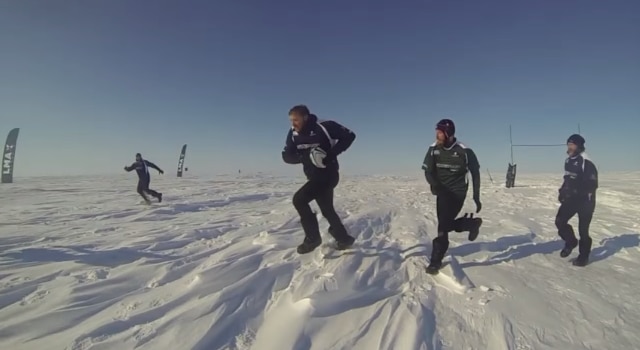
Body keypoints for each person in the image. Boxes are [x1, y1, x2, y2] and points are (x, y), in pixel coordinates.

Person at [281, 105, 357, 254]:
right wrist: (305, 157)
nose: (293, 123)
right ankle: (344, 239)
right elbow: (286, 155)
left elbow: (350, 136)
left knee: (299, 200)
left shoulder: (324, 126)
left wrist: (329, 155)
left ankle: (313, 238)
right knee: (327, 209)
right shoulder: (293, 133)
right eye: (291, 120)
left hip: (329, 175)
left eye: (296, 120)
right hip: (313, 176)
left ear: (305, 117)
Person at [421, 119, 483, 274]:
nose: (437, 134)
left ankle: (435, 261)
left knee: (443, 226)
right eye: (437, 131)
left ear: (448, 133)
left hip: (458, 193)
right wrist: (435, 185)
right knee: (445, 224)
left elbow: (475, 174)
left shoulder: (464, 151)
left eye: (440, 132)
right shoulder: (433, 148)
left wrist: (476, 196)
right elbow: (428, 171)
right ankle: (469, 224)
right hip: (442, 192)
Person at [555, 134, 598, 266]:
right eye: (568, 145)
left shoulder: (586, 161)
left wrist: (576, 191)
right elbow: (567, 179)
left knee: (583, 231)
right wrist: (563, 192)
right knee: (560, 221)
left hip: (586, 201)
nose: (570, 147)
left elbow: (592, 184)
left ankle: (583, 257)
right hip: (571, 200)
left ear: (579, 146)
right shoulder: (568, 161)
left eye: (572, 145)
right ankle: (571, 241)